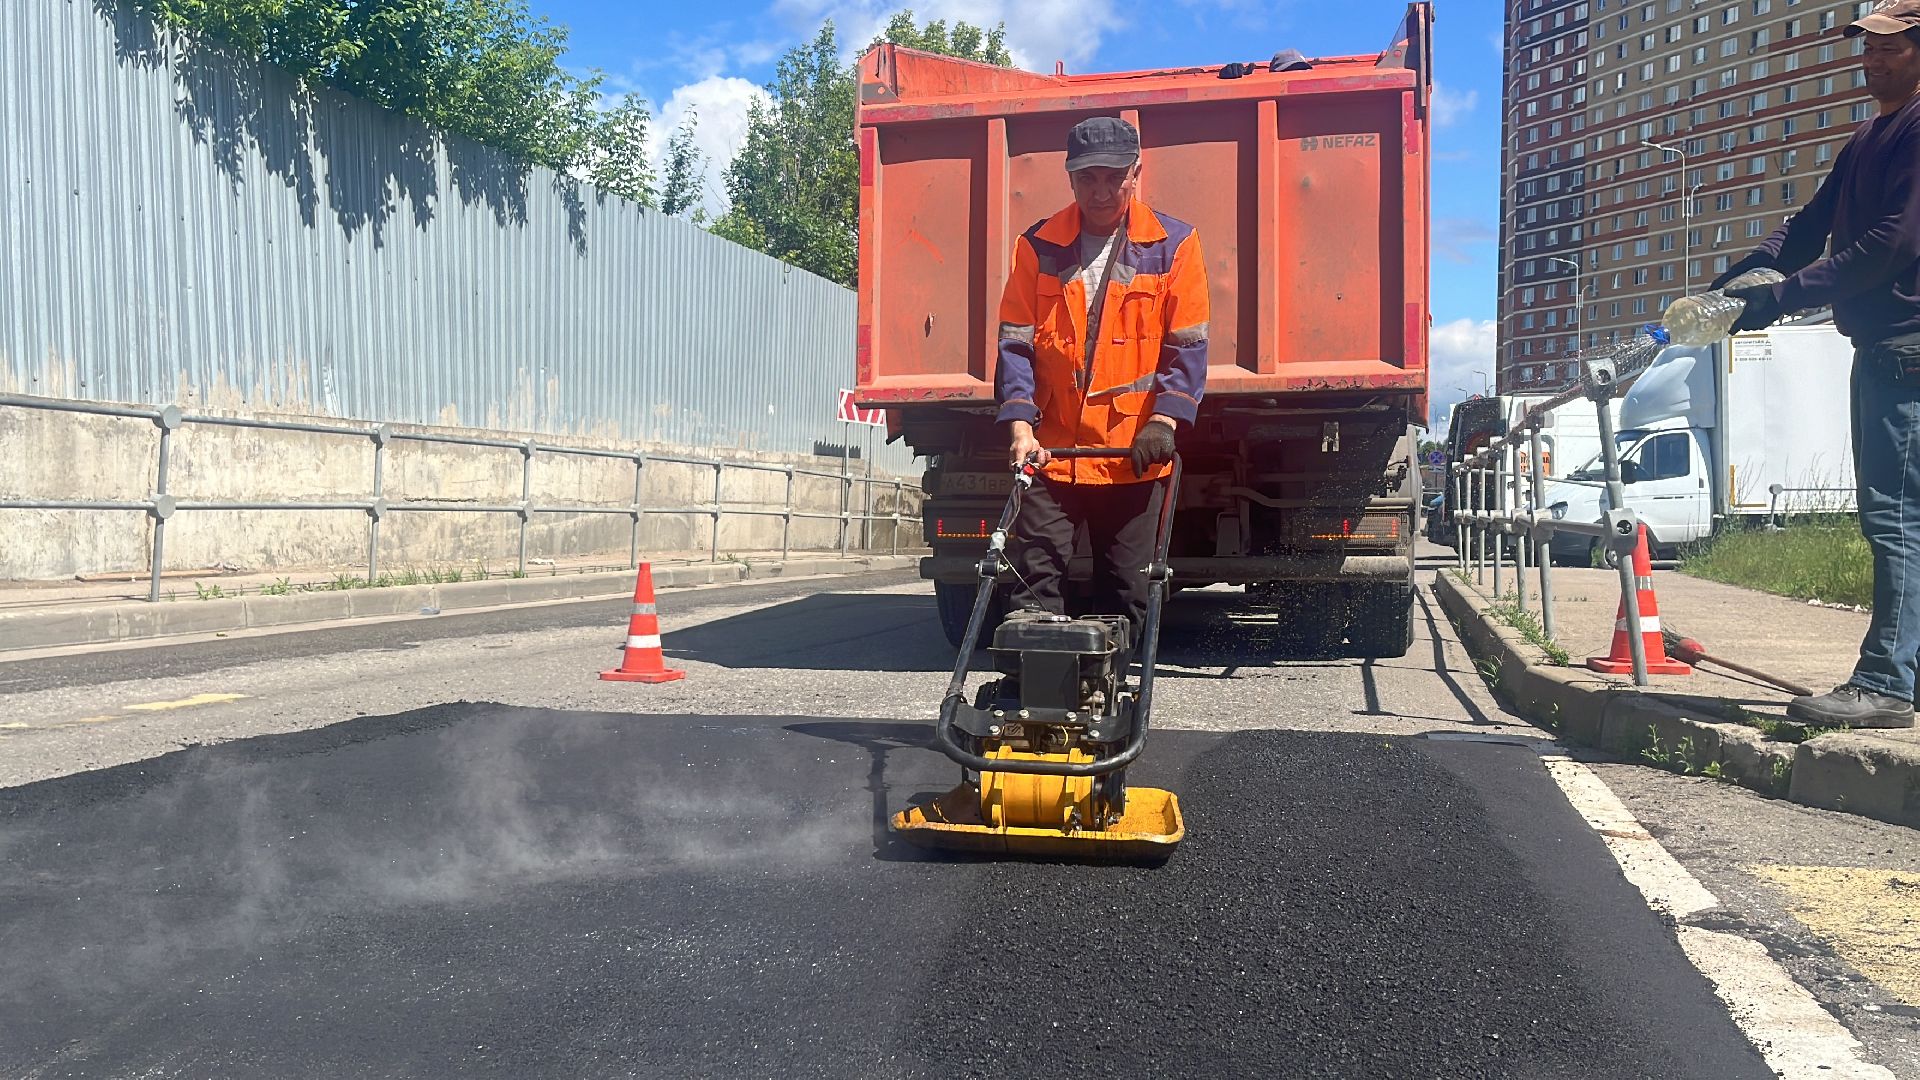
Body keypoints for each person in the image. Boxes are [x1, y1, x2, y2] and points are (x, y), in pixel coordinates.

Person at [1714, 0, 1920, 728]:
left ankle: (1886, 685)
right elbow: (1807, 227)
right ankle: (1899, 673)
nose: (1873, 60)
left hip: (1907, 349)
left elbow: (1893, 243)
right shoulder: (1868, 136)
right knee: (1897, 517)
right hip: (1881, 350)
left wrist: (1785, 297)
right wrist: (1740, 279)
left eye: (1891, 48)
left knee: (1895, 518)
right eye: (1868, 48)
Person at [992, 116, 1210, 665]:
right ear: (1070, 177)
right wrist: (1020, 428)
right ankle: (1036, 685)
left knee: (1128, 592)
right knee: (1032, 585)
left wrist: (1163, 421)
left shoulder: (1174, 245)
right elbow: (1015, 345)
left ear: (1136, 173)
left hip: (1130, 456)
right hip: (1051, 454)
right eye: (1087, 178)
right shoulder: (1037, 246)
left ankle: (1111, 689)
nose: (1101, 191)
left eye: (1115, 177)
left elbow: (1187, 346)